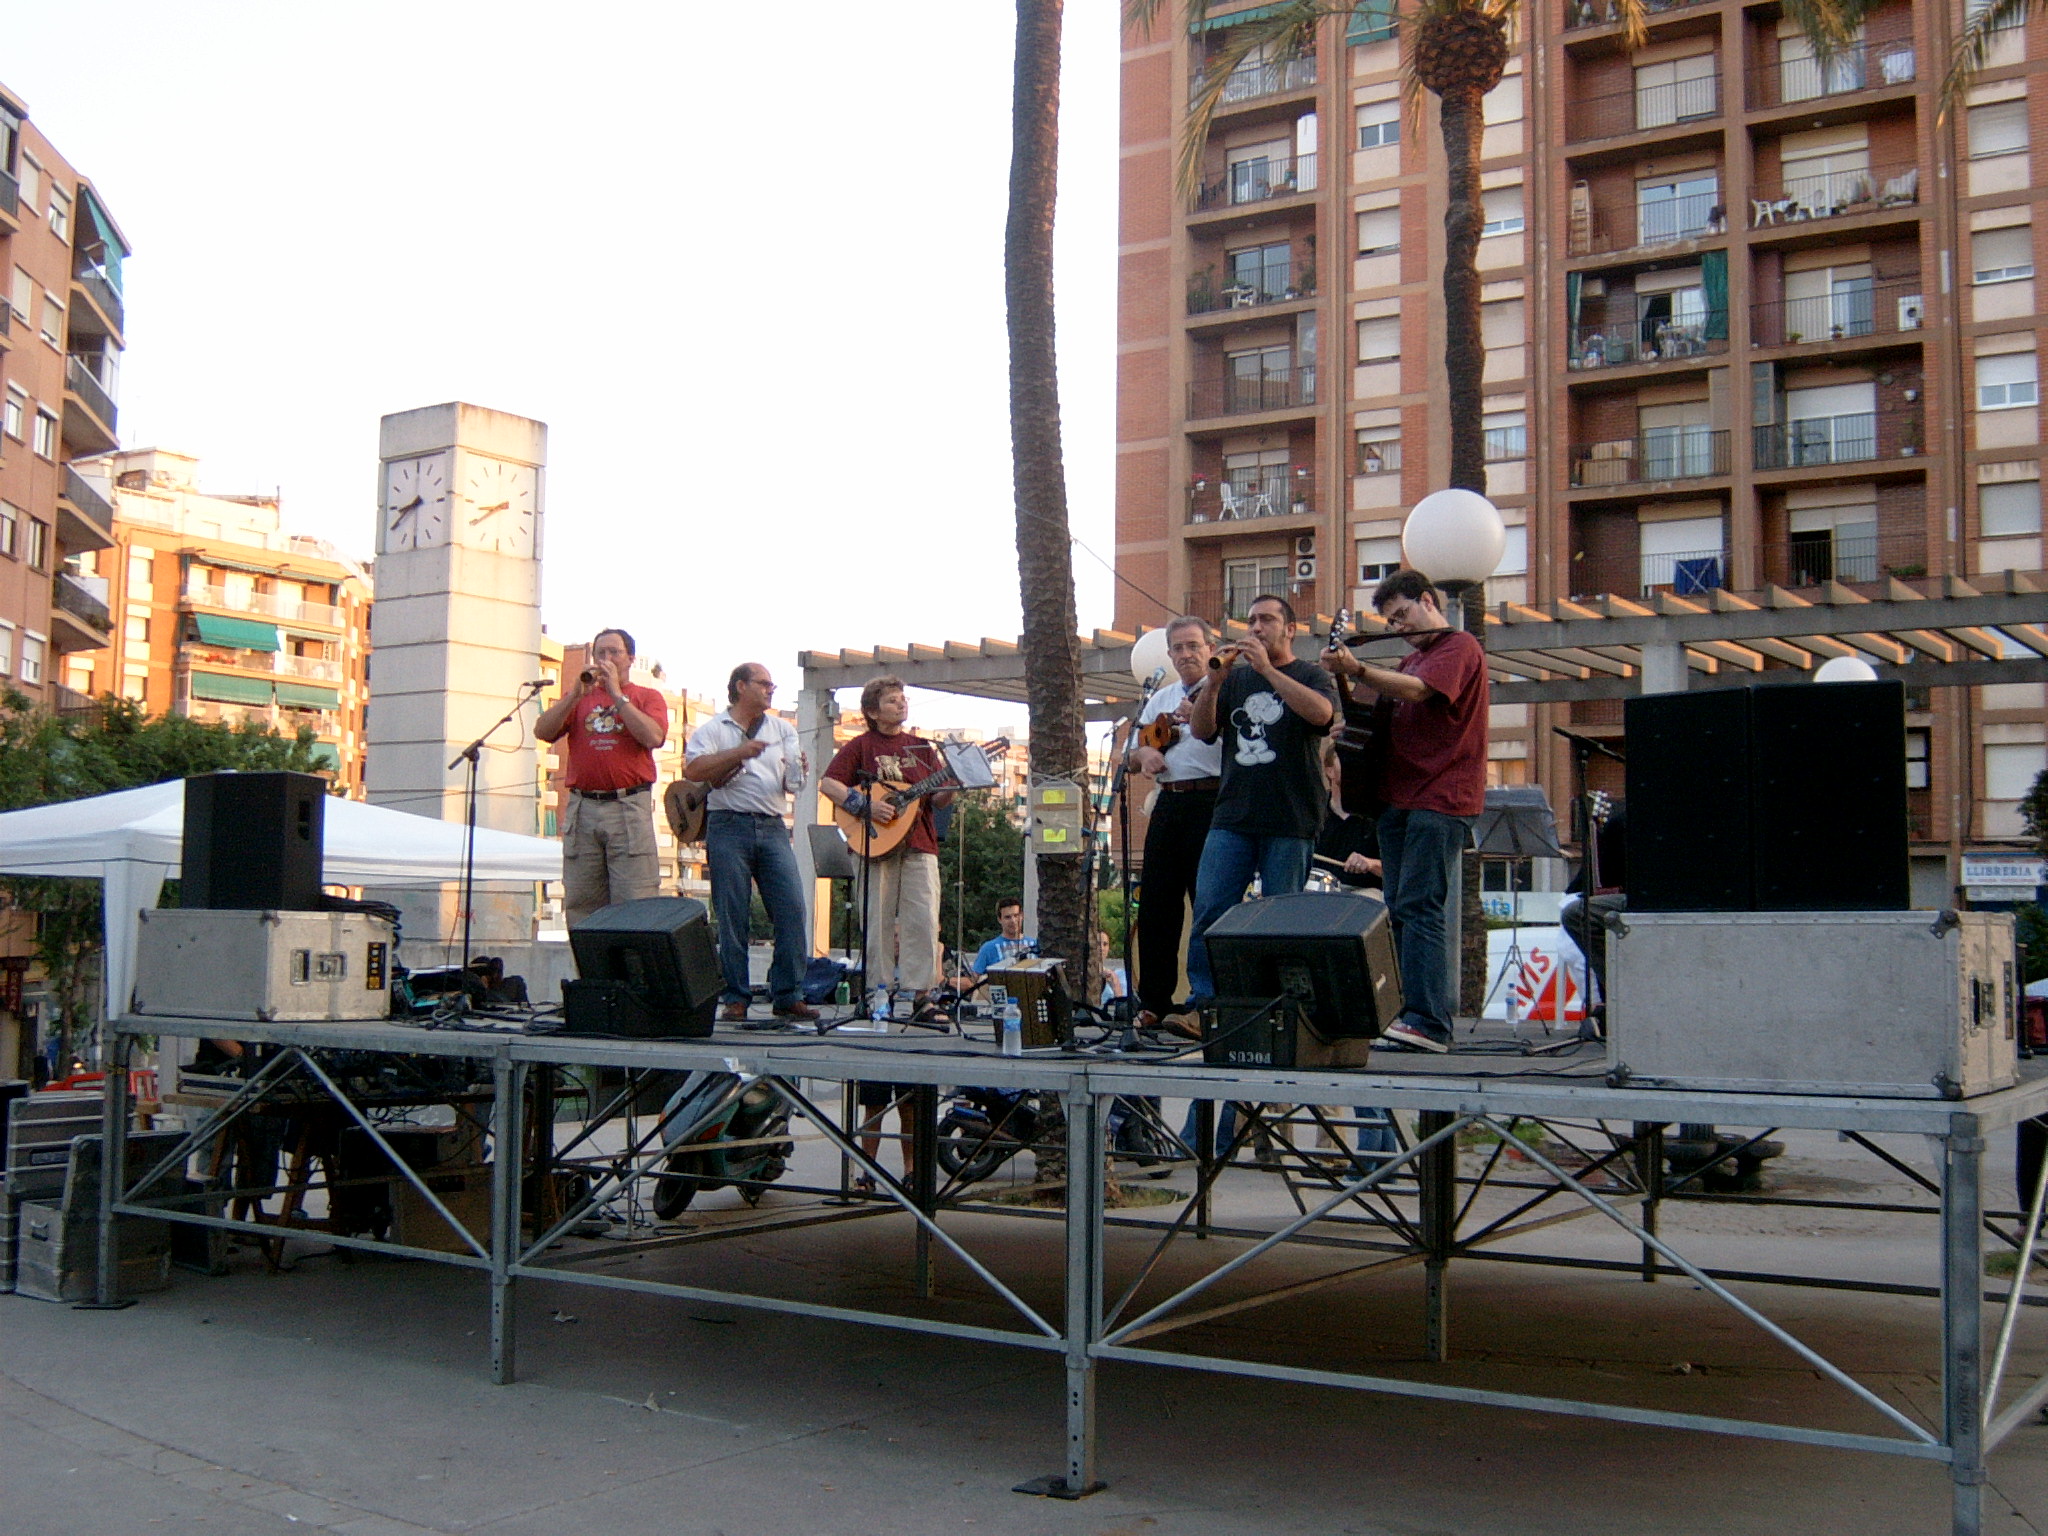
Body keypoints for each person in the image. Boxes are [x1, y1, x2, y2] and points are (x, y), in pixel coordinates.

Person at [1320, 569, 1488, 1052]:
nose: (1398, 626)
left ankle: (1430, 1020)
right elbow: (1376, 721)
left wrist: (1356, 670)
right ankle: (1406, 1014)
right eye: (1391, 621)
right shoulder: (1410, 659)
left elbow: (1418, 693)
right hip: (1399, 799)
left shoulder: (1459, 648)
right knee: (1400, 908)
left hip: (1441, 797)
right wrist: (1345, 720)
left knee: (1420, 906)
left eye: (1402, 615)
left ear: (1429, 601)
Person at [1181, 594, 1340, 1013]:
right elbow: (1201, 732)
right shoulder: (1233, 680)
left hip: (1290, 817)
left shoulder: (1310, 674)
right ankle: (1206, 1005)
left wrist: (1268, 671)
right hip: (1233, 814)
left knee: (1279, 920)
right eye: (1250, 620)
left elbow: (1322, 715)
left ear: (1290, 629)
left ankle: (1279, 1008)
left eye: (1266, 620)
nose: (1255, 627)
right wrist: (1214, 684)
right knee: (1211, 911)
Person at [684, 663, 819, 1025]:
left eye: (771, 684)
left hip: (772, 825)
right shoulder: (714, 729)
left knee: (792, 909)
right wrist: (737, 753)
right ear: (740, 686)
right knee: (732, 915)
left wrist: (799, 770)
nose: (770, 689)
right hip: (727, 824)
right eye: (763, 683)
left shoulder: (783, 730)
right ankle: (736, 996)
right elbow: (693, 770)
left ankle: (788, 993)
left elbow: (794, 786)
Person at [820, 676, 955, 1024]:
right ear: (872, 711)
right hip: (874, 843)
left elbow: (938, 799)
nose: (901, 704)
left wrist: (953, 785)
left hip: (920, 843)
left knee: (923, 920)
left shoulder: (922, 748)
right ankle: (876, 994)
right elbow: (829, 783)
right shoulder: (861, 746)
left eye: (903, 698)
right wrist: (865, 806)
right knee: (876, 919)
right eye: (893, 700)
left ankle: (923, 997)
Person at [535, 628, 669, 928]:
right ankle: (589, 972)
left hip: (628, 806)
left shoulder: (646, 696)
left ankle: (633, 973)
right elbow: (543, 731)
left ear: (630, 659)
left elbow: (653, 736)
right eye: (600, 653)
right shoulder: (579, 697)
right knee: (582, 902)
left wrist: (617, 697)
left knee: (635, 900)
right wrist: (573, 697)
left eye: (614, 653)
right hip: (584, 807)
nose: (605, 659)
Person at [1130, 616, 1223, 1029]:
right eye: (1178, 648)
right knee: (1156, 906)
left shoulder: (1227, 691)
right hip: (1168, 804)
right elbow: (1134, 752)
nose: (1185, 655)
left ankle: (1208, 1003)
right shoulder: (1161, 698)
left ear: (1210, 648)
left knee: (1208, 905)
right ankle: (1154, 1002)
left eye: (1193, 646)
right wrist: (1144, 756)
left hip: (1213, 803)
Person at [1314, 738, 1383, 890]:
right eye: (1344, 759)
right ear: (1329, 770)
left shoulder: (1378, 817)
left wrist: (1370, 863)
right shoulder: (1313, 813)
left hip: (1361, 895)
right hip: (1315, 891)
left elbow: (1396, 869)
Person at [971, 897, 1035, 982]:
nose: (1013, 921)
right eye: (1007, 917)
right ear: (999, 919)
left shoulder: (1035, 944)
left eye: (1016, 915)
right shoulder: (988, 948)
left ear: (1022, 916)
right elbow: (974, 980)